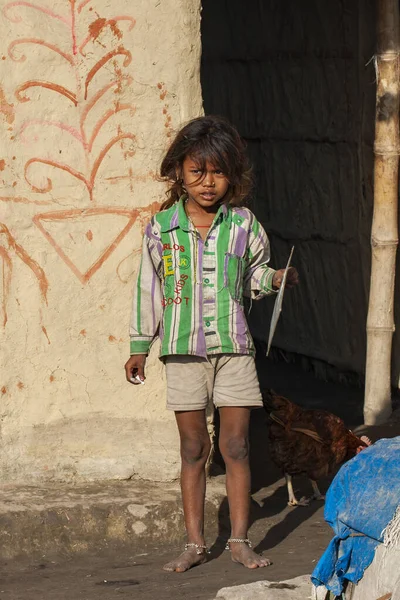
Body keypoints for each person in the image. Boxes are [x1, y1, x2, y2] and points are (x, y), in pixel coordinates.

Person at [124, 115, 299, 572]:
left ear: (233, 177)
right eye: (197, 171)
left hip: (234, 350)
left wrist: (276, 279)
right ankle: (196, 543)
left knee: (237, 446)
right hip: (182, 353)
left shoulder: (244, 225)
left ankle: (239, 540)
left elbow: (254, 277)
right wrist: (139, 345)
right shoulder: (160, 229)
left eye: (218, 172)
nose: (207, 183)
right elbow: (148, 289)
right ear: (179, 171)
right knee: (193, 448)